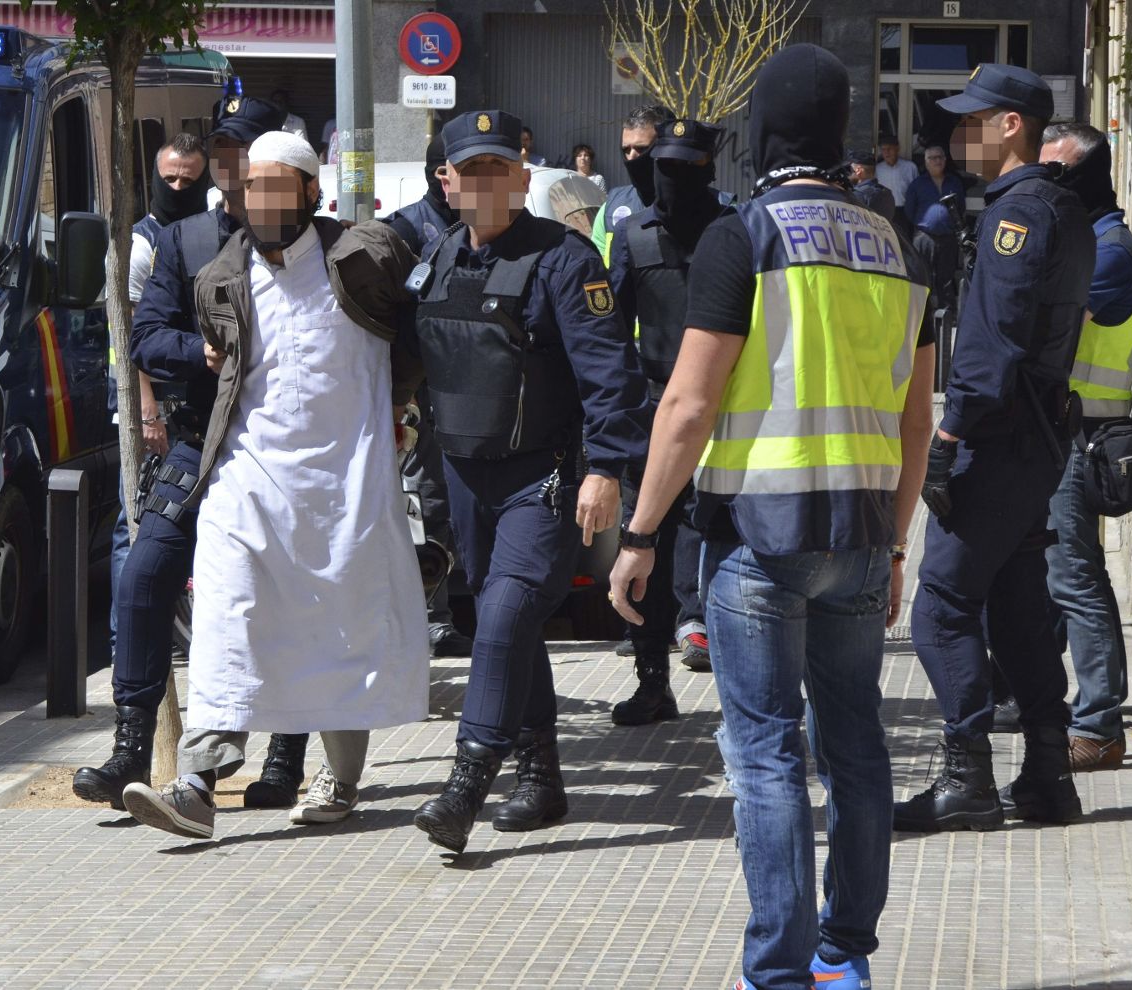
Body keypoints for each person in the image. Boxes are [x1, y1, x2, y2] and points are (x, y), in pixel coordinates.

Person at [609, 44, 934, 990]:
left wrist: (640, 534)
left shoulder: (741, 236)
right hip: (862, 534)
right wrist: (898, 542)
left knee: (764, 755)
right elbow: (917, 418)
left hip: (757, 540)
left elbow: (688, 404)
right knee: (856, 745)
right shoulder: (899, 243)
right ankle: (844, 954)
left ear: (762, 131)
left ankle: (777, 972)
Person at [120, 130, 430, 839]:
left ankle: (340, 778)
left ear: (311, 192)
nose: (255, 201)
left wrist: (404, 406)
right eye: (246, 189)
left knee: (341, 624)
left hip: (347, 478)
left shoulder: (369, 256)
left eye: (271, 187)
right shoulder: (220, 277)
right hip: (248, 475)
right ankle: (195, 785)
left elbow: (422, 332)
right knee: (226, 612)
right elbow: (165, 343)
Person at [408, 109, 650, 854]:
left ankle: (467, 781)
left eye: (499, 170)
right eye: (471, 172)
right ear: (448, 183)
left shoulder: (565, 260)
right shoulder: (440, 255)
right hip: (466, 475)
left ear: (521, 177)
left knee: (506, 614)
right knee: (501, 621)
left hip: (543, 475)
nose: (486, 184)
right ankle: (541, 778)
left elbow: (610, 375)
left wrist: (606, 469)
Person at [71, 95, 310, 813]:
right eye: (224, 151)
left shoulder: (312, 244)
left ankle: (285, 757)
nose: (231, 165)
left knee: (285, 596)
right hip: (200, 441)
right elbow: (144, 337)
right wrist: (197, 352)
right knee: (145, 576)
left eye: (245, 152)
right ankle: (130, 751)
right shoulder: (187, 240)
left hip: (283, 447)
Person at [893, 64, 1097, 832]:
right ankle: (1047, 776)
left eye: (973, 121)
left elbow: (994, 341)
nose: (958, 135)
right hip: (1032, 439)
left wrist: (948, 434)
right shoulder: (1058, 205)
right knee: (1014, 606)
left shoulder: (1020, 213)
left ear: (1012, 125)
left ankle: (967, 778)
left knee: (941, 608)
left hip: (999, 436)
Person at [606, 115, 730, 718]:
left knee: (726, 538)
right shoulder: (633, 236)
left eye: (689, 167)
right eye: (666, 167)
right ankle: (651, 679)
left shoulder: (735, 232)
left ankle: (730, 664)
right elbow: (610, 335)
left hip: (730, 410)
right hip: (655, 407)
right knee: (645, 536)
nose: (674, 177)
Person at [1042, 121, 1132, 772]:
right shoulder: (1089, 244)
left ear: (1088, 175)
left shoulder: (1111, 254)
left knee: (1075, 579)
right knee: (1070, 575)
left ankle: (1099, 728)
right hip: (1069, 434)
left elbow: (1051, 329)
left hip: (1086, 438)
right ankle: (1076, 711)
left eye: (1057, 173)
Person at [106, 133, 212, 661]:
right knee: (137, 522)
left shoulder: (209, 235)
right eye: (169, 178)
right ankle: (127, 640)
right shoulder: (140, 244)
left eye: (188, 179)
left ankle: (181, 634)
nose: (177, 187)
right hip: (152, 405)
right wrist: (144, 410)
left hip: (195, 404)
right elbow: (125, 335)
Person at [382, 139, 474, 659]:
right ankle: (430, 620)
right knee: (423, 505)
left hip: (472, 394)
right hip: (419, 398)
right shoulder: (406, 230)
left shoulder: (482, 228)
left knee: (464, 508)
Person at [591, 105, 672, 262]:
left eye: (641, 149)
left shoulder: (713, 207)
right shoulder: (611, 208)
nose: (631, 157)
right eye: (626, 150)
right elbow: (599, 268)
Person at [912, 201, 960, 316]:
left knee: (946, 278)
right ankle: (921, 314)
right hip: (924, 236)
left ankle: (948, 314)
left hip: (948, 236)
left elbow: (959, 206)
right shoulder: (919, 188)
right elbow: (910, 207)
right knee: (921, 276)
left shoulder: (952, 188)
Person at [904, 146, 968, 229]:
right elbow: (909, 210)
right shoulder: (917, 184)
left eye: (940, 157)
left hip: (950, 234)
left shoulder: (955, 182)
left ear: (945, 159)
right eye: (934, 158)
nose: (938, 160)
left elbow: (961, 207)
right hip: (924, 234)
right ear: (926, 162)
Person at [847, 148, 896, 221]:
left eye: (849, 169)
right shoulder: (887, 192)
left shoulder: (857, 195)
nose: (847, 174)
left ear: (858, 170)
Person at [875, 133, 918, 209]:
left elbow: (917, 190)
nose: (886, 152)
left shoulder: (910, 167)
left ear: (897, 148)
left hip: (905, 209)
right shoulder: (878, 169)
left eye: (889, 149)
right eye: (883, 150)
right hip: (884, 209)